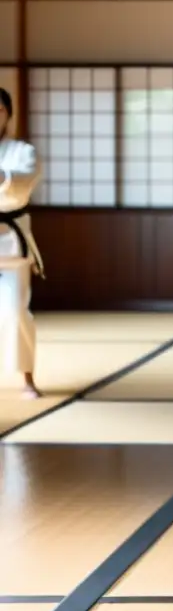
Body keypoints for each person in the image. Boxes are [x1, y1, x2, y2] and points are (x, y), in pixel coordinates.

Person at [0, 87, 44, 399]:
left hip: (9, 242)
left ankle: (27, 378)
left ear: (8, 115)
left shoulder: (22, 151)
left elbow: (21, 186)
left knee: (17, 311)